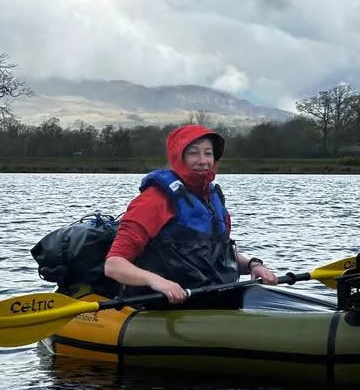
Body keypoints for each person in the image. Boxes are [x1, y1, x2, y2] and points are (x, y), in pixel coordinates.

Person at [104, 124, 277, 305]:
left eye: (208, 153)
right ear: (179, 157)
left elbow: (216, 255)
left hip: (211, 301)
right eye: (194, 153)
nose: (203, 161)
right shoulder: (153, 200)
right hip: (157, 307)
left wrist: (253, 265)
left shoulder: (211, 198)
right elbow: (114, 265)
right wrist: (157, 281)